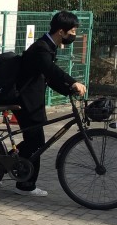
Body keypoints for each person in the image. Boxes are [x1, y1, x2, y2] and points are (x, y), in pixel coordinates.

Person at [13, 10, 87, 197]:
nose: (74, 35)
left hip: (32, 100)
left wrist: (68, 90)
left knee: (35, 141)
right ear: (61, 31)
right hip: (25, 101)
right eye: (72, 31)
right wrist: (72, 82)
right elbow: (51, 70)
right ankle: (25, 185)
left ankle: (9, 161)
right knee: (36, 142)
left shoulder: (48, 46)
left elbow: (49, 77)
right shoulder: (41, 48)